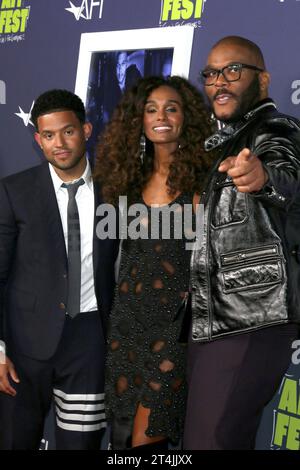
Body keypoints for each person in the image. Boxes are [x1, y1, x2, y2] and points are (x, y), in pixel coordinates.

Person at [183, 36, 300, 450]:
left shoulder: (274, 128)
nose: (220, 82)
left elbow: (285, 173)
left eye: (233, 71)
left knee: (209, 441)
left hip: (250, 317)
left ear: (262, 80)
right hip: (217, 318)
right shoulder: (224, 142)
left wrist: (262, 179)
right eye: (211, 74)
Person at [94, 75, 214, 449]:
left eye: (171, 108)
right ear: (139, 120)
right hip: (126, 328)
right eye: (151, 109)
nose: (161, 116)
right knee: (122, 437)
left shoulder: (203, 182)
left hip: (175, 330)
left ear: (186, 119)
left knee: (148, 437)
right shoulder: (125, 182)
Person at [0, 89, 119, 449]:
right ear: (38, 140)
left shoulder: (115, 190)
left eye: (67, 132)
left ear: (86, 129)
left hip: (89, 343)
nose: (59, 144)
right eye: (48, 136)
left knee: (80, 445)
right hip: (23, 345)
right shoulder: (14, 191)